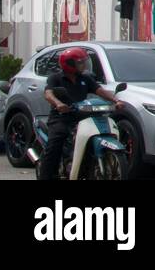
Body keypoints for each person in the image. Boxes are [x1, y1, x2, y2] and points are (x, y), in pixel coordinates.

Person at [39, 46, 125, 181]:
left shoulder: (86, 78)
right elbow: (48, 94)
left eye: (84, 61)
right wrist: (58, 104)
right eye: (80, 62)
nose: (84, 65)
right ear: (69, 64)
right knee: (55, 144)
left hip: (83, 117)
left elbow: (100, 91)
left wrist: (116, 100)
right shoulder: (55, 78)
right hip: (62, 117)